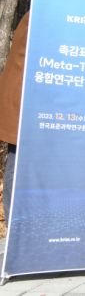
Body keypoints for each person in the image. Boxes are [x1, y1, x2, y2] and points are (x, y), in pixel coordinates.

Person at [0, 12, 28, 219]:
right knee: (18, 161)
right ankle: (13, 224)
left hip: (28, 104)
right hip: (25, 104)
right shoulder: (40, 14)